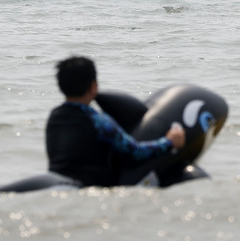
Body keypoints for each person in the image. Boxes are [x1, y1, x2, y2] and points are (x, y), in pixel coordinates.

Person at [46, 56, 186, 187]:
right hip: (90, 187)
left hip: (57, 183)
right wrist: (168, 142)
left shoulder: (54, 117)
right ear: (93, 86)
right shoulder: (98, 121)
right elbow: (134, 153)